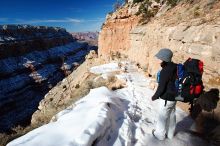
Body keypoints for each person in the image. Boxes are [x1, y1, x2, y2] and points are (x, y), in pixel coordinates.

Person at [151, 48, 177, 140]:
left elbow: (161, 87)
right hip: (174, 98)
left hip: (166, 98)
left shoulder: (165, 71)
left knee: (162, 117)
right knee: (171, 116)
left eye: (160, 58)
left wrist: (154, 96)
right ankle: (170, 134)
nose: (159, 60)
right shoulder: (175, 66)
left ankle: (160, 135)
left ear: (164, 58)